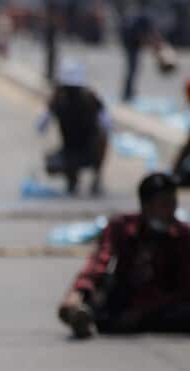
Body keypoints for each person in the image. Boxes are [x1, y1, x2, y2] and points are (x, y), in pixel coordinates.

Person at [58, 172, 190, 338]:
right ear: (147, 206)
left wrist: (143, 310)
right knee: (102, 290)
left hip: (162, 303)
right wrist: (78, 292)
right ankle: (80, 313)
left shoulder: (181, 234)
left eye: (173, 202)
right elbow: (99, 262)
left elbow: (185, 286)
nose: (171, 210)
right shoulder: (123, 227)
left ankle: (109, 320)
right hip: (126, 297)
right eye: (165, 204)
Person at [38, 60, 111, 196]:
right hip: (74, 151)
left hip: (81, 151)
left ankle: (79, 178)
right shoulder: (89, 99)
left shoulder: (60, 100)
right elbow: (107, 123)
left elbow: (40, 126)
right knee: (102, 136)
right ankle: (78, 177)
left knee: (101, 138)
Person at [120, 0, 176, 103]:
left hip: (132, 41)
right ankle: (127, 95)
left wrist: (159, 45)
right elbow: (142, 36)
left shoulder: (147, 18)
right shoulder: (144, 19)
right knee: (133, 68)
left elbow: (152, 35)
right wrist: (154, 48)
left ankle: (129, 93)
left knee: (134, 69)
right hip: (130, 43)